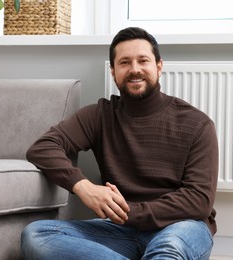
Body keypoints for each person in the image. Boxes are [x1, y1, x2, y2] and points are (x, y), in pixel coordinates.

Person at [21, 27, 218, 260]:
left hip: (180, 227)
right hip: (119, 231)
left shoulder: (196, 123)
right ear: (113, 72)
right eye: (125, 63)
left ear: (159, 66)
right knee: (36, 236)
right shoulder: (99, 116)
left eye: (143, 60)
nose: (135, 69)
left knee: (167, 251)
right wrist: (83, 187)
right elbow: (43, 148)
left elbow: (199, 201)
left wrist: (131, 212)